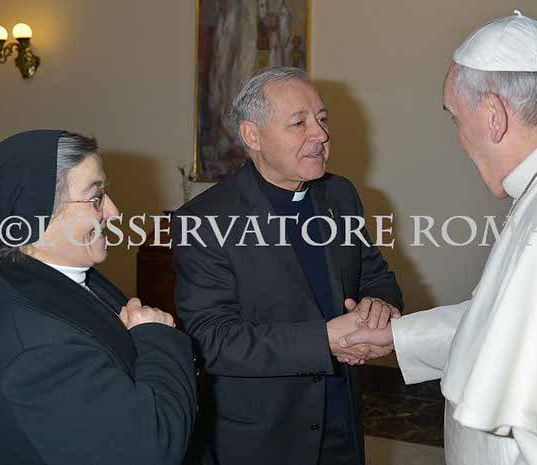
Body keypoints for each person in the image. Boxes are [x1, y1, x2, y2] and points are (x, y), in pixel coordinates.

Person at [338, 11, 537, 465]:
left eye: (456, 118)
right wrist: (398, 337)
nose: (459, 138)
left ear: (493, 115)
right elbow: (513, 318)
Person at [172, 66, 403, 465]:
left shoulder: (340, 195)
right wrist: (323, 341)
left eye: (322, 119)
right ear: (253, 136)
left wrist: (378, 306)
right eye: (299, 123)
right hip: (262, 435)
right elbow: (212, 339)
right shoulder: (204, 220)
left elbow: (375, 276)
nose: (320, 134)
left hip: (342, 421)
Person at [0, 130, 197, 465]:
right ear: (35, 213)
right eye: (96, 197)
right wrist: (157, 337)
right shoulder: (36, 349)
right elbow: (152, 449)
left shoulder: (61, 280)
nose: (114, 212)